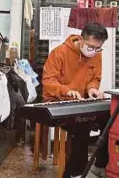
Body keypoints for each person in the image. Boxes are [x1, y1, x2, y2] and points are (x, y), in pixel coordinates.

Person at [43, 22, 109, 178]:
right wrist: (66, 91)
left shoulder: (96, 54)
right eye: (90, 47)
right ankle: (74, 173)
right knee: (82, 125)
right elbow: (48, 81)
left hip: (81, 100)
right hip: (57, 100)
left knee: (110, 119)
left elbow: (95, 78)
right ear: (80, 39)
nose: (93, 51)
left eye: (98, 48)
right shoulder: (59, 52)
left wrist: (92, 88)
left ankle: (100, 165)